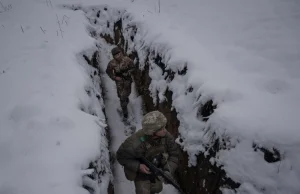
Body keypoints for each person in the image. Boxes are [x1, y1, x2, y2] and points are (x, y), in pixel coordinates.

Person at [116, 111, 180, 194]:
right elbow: (120, 156)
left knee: (157, 188)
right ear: (152, 132)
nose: (165, 131)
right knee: (143, 191)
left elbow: (174, 154)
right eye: (161, 129)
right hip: (140, 173)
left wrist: (168, 170)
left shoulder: (167, 137)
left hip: (156, 168)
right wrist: (138, 166)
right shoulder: (134, 142)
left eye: (164, 127)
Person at [106, 47, 135, 121]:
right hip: (119, 82)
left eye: (119, 54)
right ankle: (125, 113)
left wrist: (128, 72)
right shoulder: (112, 63)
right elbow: (108, 71)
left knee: (126, 94)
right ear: (114, 56)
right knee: (121, 97)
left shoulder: (127, 60)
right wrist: (115, 77)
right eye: (116, 55)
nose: (119, 56)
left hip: (127, 80)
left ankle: (126, 100)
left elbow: (133, 68)